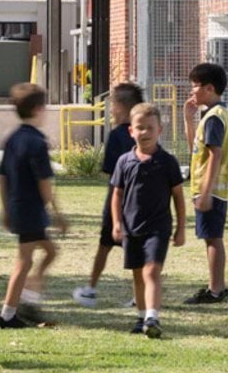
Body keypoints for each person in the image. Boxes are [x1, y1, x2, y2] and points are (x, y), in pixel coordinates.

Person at [0, 83, 69, 329]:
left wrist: (6, 209)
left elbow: (1, 177)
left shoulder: (12, 139)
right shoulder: (37, 142)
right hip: (31, 210)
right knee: (24, 262)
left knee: (49, 252)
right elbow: (45, 184)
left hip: (18, 207)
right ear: (38, 109)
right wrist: (58, 214)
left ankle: (28, 300)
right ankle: (7, 315)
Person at [111, 103, 186, 339]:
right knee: (137, 273)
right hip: (132, 228)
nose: (145, 132)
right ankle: (141, 316)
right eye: (139, 128)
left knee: (151, 271)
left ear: (159, 130)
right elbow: (117, 195)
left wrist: (181, 228)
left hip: (158, 228)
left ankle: (153, 316)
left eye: (150, 128)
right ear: (131, 131)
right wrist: (116, 223)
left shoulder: (167, 162)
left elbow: (178, 197)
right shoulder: (124, 161)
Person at [74, 83, 144, 307]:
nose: (110, 109)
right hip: (138, 202)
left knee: (104, 247)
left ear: (122, 107)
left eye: (113, 104)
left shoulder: (115, 136)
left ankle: (91, 289)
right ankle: (139, 295)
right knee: (135, 253)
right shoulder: (143, 134)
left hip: (116, 201)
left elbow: (111, 172)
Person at [183, 62, 228, 305]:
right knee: (210, 237)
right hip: (207, 188)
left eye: (195, 87)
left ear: (209, 88)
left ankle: (217, 290)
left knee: (213, 238)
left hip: (211, 189)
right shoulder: (209, 116)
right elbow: (195, 147)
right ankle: (216, 286)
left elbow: (215, 155)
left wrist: (206, 192)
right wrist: (188, 120)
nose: (192, 91)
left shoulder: (215, 118)